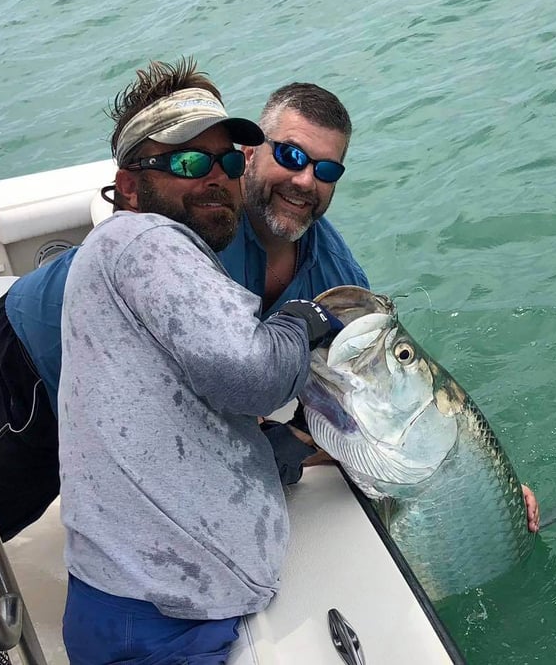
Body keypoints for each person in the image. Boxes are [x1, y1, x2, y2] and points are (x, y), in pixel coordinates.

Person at [0, 69, 540, 537]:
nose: (306, 179)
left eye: (326, 168)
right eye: (289, 155)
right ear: (251, 156)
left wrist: (468, 477)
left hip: (144, 398)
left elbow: (367, 399)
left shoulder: (336, 279)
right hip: (46, 354)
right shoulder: (193, 230)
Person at [57, 58, 342, 664]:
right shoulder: (139, 237)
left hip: (176, 606)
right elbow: (253, 374)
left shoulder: (182, 249)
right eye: (187, 162)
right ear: (130, 186)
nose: (215, 177)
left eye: (228, 161)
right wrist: (304, 321)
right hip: (154, 619)